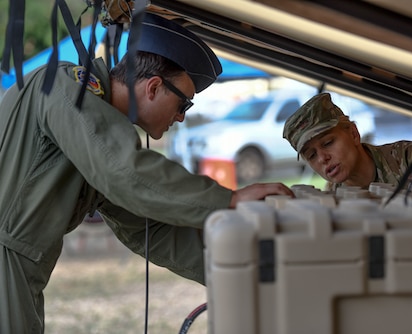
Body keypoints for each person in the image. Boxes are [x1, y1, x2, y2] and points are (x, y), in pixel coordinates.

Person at [0, 13, 294, 333]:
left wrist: (247, 268)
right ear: (154, 87)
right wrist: (229, 199)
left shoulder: (102, 132)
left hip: (19, 268)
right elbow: (124, 171)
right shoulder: (67, 86)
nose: (180, 118)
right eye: (184, 105)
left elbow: (152, 231)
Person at [283, 92, 412, 199]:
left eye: (328, 143)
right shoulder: (333, 198)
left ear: (353, 134)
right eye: (311, 155)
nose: (322, 158)